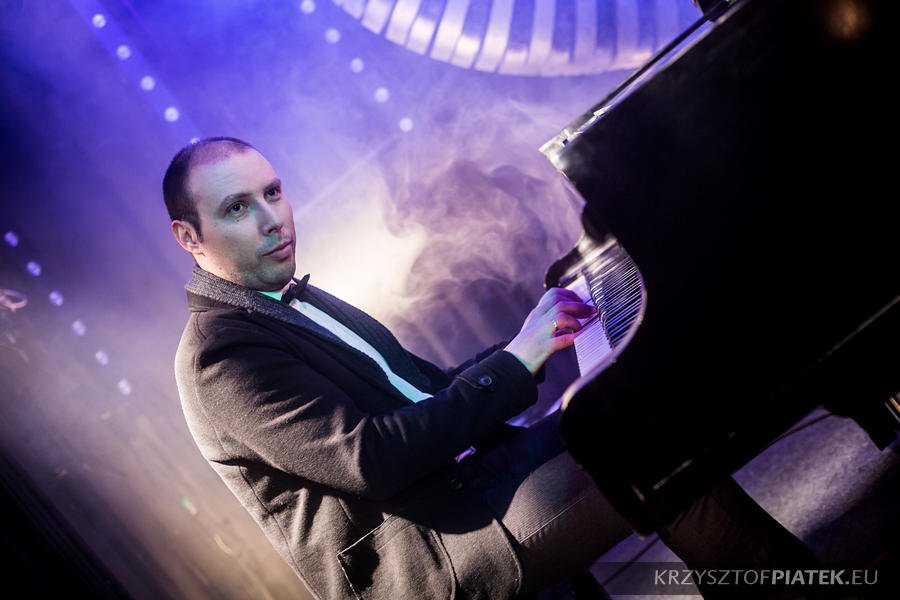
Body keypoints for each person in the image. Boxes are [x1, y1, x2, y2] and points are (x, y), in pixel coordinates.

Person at [165, 137, 818, 599]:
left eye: (272, 192)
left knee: (633, 424)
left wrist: (533, 336)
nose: (272, 219)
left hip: (468, 487)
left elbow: (425, 393)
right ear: (188, 237)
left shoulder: (286, 301)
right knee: (641, 452)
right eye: (236, 208)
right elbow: (372, 459)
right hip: (432, 556)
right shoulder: (219, 356)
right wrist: (514, 360)